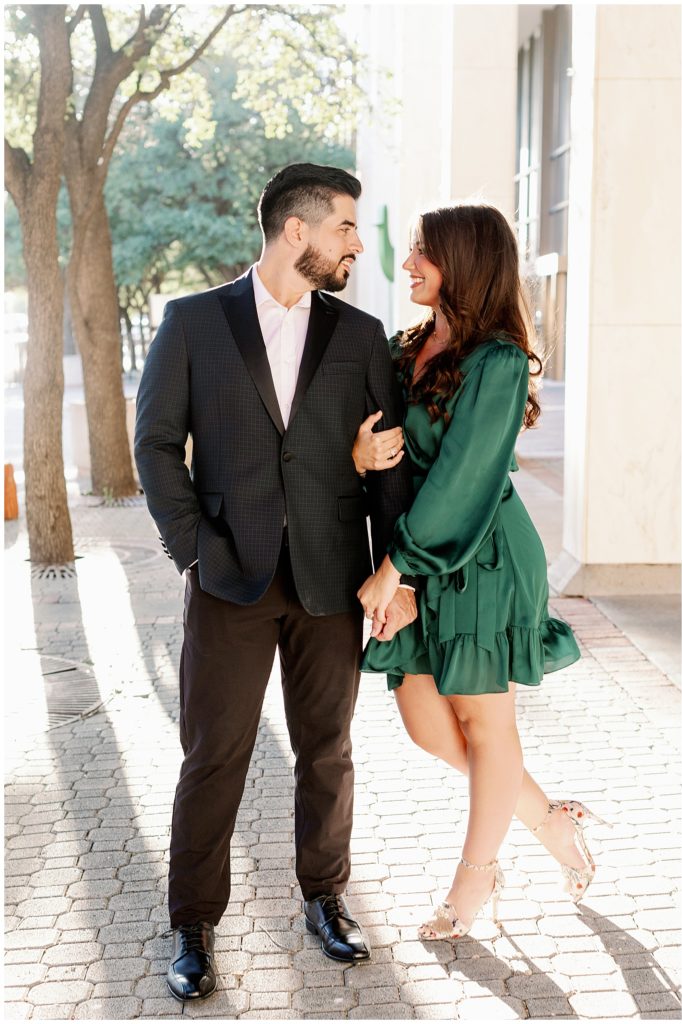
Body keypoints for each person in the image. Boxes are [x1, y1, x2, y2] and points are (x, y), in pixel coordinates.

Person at [134, 163, 418, 1001]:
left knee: (327, 750)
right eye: (344, 227)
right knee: (213, 755)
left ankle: (326, 899)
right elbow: (156, 445)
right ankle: (193, 923)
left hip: (333, 578)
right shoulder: (193, 322)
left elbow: (386, 466)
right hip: (229, 577)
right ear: (297, 230)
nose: (355, 244)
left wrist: (393, 574)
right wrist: (193, 549)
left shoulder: (361, 335)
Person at [354, 203, 604, 941]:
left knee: (485, 724)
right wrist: (360, 463)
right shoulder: (405, 348)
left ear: (463, 262)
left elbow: (462, 478)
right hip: (417, 557)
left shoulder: (498, 362)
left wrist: (396, 569)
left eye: (422, 252)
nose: (407, 264)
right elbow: (385, 459)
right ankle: (549, 821)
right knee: (427, 725)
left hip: (483, 556)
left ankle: (474, 878)